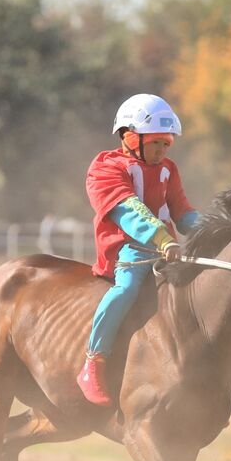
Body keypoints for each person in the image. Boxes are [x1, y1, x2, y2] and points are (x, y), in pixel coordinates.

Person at [78, 93, 200, 406]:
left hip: (166, 250)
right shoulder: (105, 168)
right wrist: (162, 240)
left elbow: (182, 210)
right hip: (129, 252)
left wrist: (213, 228)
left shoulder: (169, 169)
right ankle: (93, 361)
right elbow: (129, 211)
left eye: (166, 143)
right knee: (127, 290)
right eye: (156, 142)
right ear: (131, 137)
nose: (161, 150)